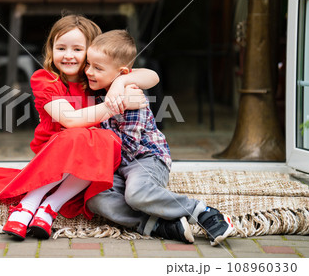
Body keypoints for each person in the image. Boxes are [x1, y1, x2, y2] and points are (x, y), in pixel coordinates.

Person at [0, 15, 159, 241]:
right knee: (80, 135)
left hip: (88, 159)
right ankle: (27, 206)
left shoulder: (97, 79)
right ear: (51, 49)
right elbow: (70, 120)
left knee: (104, 140)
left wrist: (120, 83)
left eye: (77, 49)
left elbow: (151, 76)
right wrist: (114, 104)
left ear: (91, 52)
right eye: (61, 48)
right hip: (53, 153)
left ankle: (49, 207)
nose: (68, 55)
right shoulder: (45, 79)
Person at [85, 30, 234, 246]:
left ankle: (203, 213)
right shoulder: (97, 88)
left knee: (135, 194)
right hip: (118, 167)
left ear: (123, 72)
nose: (89, 71)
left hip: (145, 159)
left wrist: (94, 134)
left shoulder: (132, 96)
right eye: (88, 65)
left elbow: (127, 146)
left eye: (97, 68)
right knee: (96, 199)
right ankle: (159, 225)